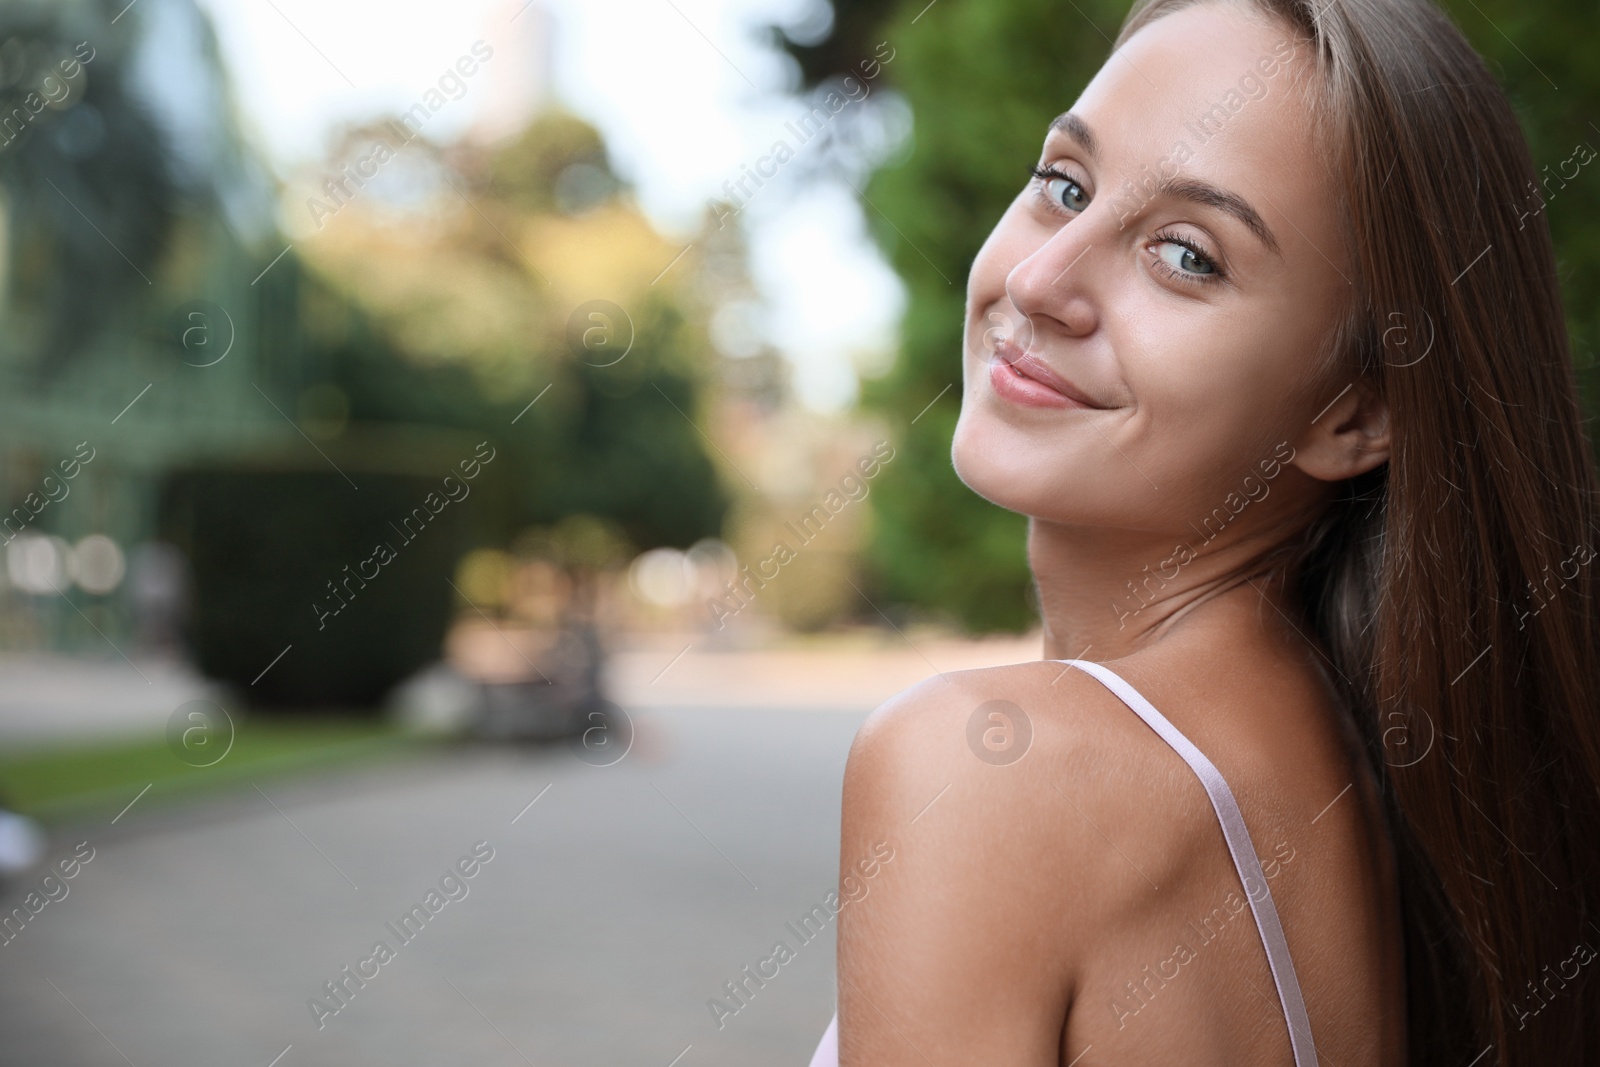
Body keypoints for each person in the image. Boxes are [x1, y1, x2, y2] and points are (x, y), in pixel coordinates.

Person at [809, 0, 1600, 1064]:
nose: (1039, 283)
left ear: (1356, 413)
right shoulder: (1346, 771)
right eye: (1064, 188)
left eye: (1185, 255)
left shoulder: (987, 770)